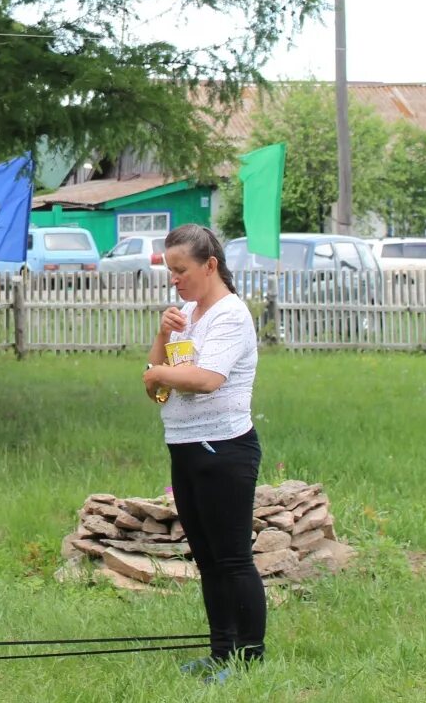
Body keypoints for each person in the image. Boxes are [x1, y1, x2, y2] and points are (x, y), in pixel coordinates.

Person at [141, 224, 264, 683]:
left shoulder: (230, 315)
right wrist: (161, 339)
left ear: (210, 265)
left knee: (232, 558)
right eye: (170, 271)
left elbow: (208, 377)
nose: (175, 279)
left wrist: (159, 374)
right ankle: (220, 653)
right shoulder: (186, 315)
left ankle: (251, 658)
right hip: (185, 445)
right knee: (206, 558)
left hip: (225, 448)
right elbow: (157, 378)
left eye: (182, 270)